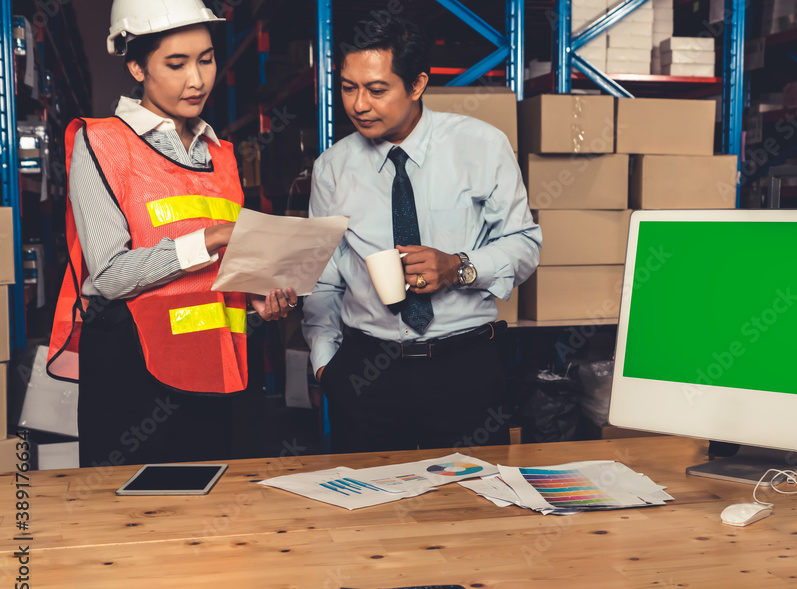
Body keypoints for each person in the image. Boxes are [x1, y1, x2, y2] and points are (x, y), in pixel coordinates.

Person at [47, 0, 296, 468]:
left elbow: (223, 270)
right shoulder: (101, 141)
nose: (197, 80)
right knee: (134, 522)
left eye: (205, 59)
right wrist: (213, 238)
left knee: (210, 519)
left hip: (217, 366)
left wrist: (258, 295)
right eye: (176, 64)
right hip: (133, 372)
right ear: (136, 66)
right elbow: (109, 277)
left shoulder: (220, 152)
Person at [303, 17, 541, 454]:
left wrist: (459, 267)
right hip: (365, 373)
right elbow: (322, 276)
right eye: (348, 88)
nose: (358, 105)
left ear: (417, 85)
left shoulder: (482, 146)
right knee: (368, 513)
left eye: (377, 90)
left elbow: (525, 245)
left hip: (464, 370)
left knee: (473, 511)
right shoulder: (331, 168)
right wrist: (324, 364)